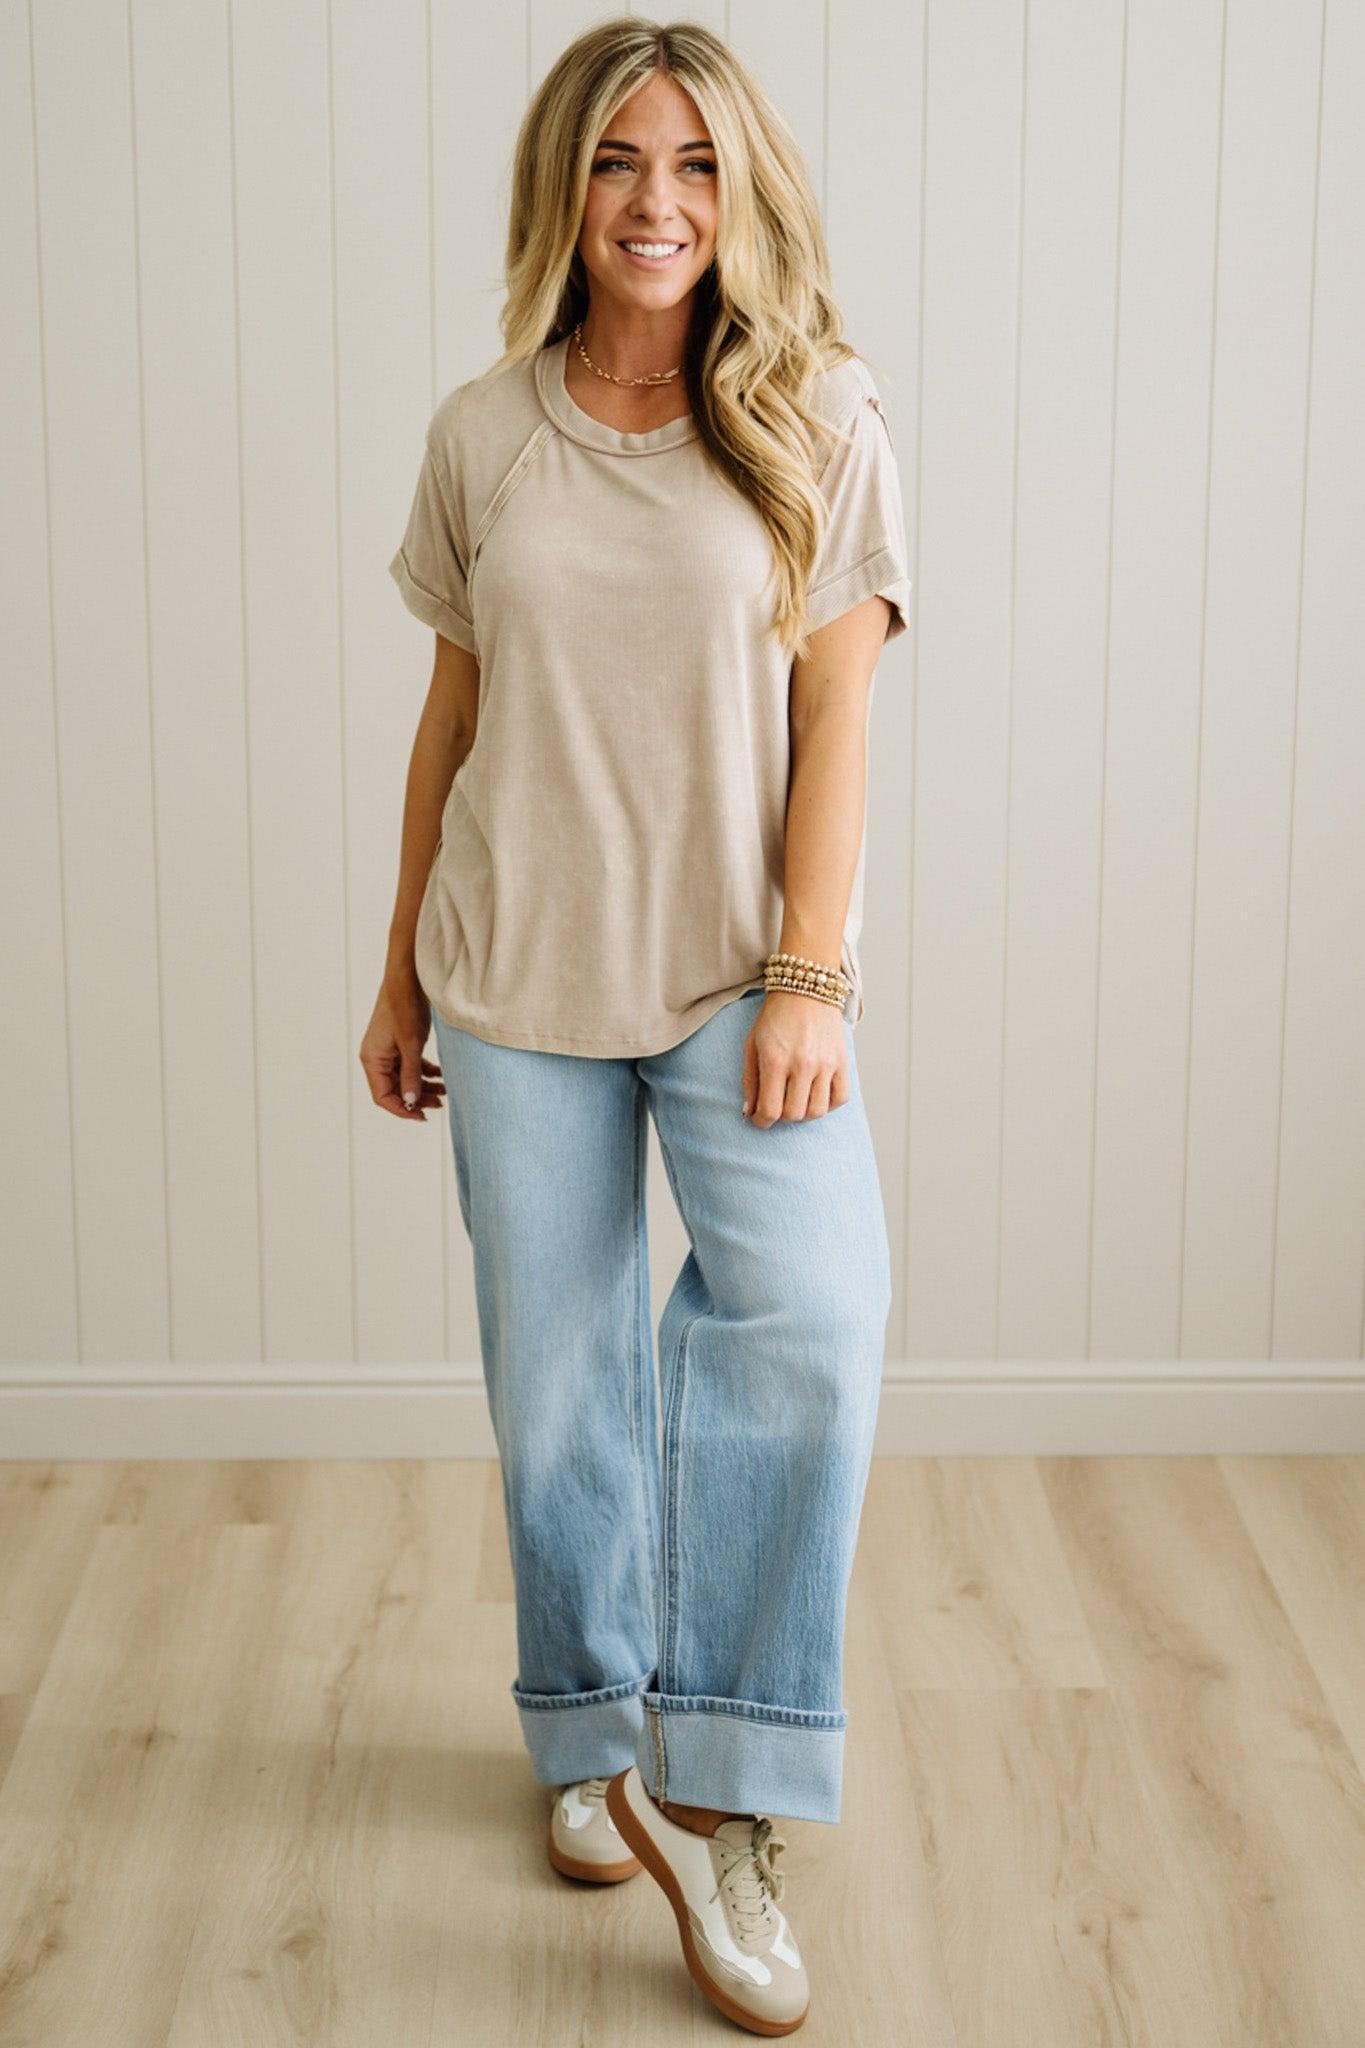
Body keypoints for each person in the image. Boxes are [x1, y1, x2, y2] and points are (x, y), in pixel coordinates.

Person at [361, 17, 910, 2037]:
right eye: (614, 165)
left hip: (724, 985)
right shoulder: (479, 433)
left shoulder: (816, 416)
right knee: (560, 1377)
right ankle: (582, 1723)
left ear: (737, 186)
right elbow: (453, 710)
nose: (655, 204)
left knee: (808, 1315)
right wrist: (394, 964)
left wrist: (808, 970)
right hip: (509, 979)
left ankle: (729, 1784)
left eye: (689, 164)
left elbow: (839, 710)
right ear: (561, 190)